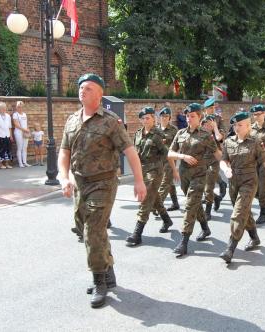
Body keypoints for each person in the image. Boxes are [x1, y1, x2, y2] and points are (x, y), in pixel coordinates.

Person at [58, 73, 146, 308]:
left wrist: (139, 180)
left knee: (93, 232)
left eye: (87, 88)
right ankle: (108, 272)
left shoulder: (110, 121)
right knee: (82, 227)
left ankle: (99, 282)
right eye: (80, 88)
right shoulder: (72, 120)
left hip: (103, 183)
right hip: (80, 183)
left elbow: (129, 150)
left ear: (99, 94)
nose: (82, 91)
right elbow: (64, 152)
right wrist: (63, 177)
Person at [219, 111, 265, 263]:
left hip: (249, 182)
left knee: (238, 213)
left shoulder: (255, 142)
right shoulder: (228, 142)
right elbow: (223, 160)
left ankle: (230, 248)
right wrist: (226, 169)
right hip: (233, 183)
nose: (236, 128)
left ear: (248, 126)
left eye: (240, 125)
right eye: (235, 125)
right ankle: (254, 238)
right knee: (244, 212)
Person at [168, 103, 221, 257]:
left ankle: (184, 241)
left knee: (190, 204)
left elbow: (217, 153)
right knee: (195, 203)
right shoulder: (180, 133)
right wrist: (182, 156)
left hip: (199, 175)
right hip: (185, 175)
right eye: (187, 116)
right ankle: (205, 228)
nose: (189, 118)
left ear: (199, 117)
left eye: (192, 116)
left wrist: (227, 166)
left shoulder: (206, 135)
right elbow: (170, 153)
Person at [126, 107, 172, 247]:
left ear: (153, 119)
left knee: (146, 198)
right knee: (155, 198)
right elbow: (136, 153)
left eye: (148, 118)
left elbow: (166, 154)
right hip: (142, 170)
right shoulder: (138, 133)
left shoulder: (158, 135)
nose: (145, 120)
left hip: (154, 171)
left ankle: (137, 234)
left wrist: (172, 170)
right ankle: (166, 219)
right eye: (143, 118)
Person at [203, 97, 227, 213]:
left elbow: (219, 138)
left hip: (214, 154)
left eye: (213, 108)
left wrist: (215, 127)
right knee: (202, 180)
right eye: (209, 108)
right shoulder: (200, 119)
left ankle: (208, 210)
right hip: (201, 154)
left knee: (209, 179)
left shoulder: (218, 119)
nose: (212, 110)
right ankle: (216, 196)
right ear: (205, 109)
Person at [156, 107, 180, 212]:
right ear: (159, 117)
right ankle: (175, 204)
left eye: (166, 116)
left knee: (165, 182)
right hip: (158, 160)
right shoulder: (156, 129)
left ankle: (157, 206)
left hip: (170, 161)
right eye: (162, 116)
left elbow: (178, 145)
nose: (164, 118)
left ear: (169, 118)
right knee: (169, 182)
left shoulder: (174, 130)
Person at [12, 101, 31, 167]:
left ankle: (25, 162)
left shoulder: (24, 114)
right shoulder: (15, 114)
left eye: (21, 107)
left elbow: (26, 124)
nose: (20, 108)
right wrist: (25, 130)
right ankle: (20, 163)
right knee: (20, 147)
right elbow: (16, 125)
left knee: (25, 148)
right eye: (18, 107)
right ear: (16, 107)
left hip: (25, 133)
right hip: (18, 133)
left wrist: (27, 129)